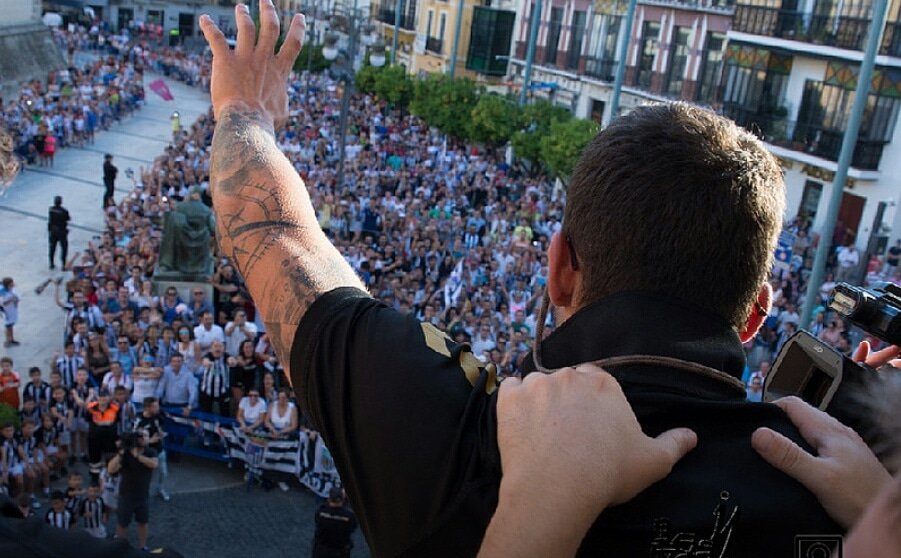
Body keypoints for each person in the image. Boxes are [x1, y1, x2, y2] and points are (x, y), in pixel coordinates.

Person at [199, 8, 842, 555]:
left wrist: (245, 112)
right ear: (756, 313)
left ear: (559, 267)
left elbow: (272, 234)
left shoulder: (459, 423)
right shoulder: (844, 492)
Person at [108, 429, 158, 552]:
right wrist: (121, 453)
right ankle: (120, 547)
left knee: (143, 522)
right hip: (126, 494)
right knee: (122, 523)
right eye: (140, 436)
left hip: (142, 495)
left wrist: (138, 456)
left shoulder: (151, 451)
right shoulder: (125, 454)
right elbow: (111, 469)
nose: (143, 438)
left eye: (145, 436)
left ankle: (143, 546)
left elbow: (154, 464)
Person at [134, 397, 170, 502]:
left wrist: (161, 434)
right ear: (147, 408)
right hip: (146, 452)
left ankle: (161, 488)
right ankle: (141, 493)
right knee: (144, 475)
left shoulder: (158, 416)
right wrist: (150, 440)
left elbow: (160, 428)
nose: (158, 408)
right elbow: (134, 438)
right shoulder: (139, 421)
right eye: (155, 406)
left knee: (163, 472)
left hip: (159, 449)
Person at [312, 486, 358, 558]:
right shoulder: (349, 516)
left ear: (329, 498)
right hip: (340, 551)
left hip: (321, 550)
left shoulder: (321, 512)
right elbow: (353, 528)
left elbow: (317, 521)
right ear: (342, 499)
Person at [48, 195, 70, 270]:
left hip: (53, 231)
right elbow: (67, 218)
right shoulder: (64, 211)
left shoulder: (51, 209)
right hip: (62, 231)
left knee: (52, 247)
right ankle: (63, 265)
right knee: (64, 248)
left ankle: (51, 263)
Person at [1, 277, 21, 347]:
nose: (13, 284)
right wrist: (11, 299)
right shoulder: (2, 292)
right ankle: (7, 341)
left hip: (12, 309)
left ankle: (12, 339)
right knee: (8, 325)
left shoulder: (12, 289)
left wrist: (16, 299)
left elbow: (17, 297)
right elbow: (3, 303)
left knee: (11, 325)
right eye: (11, 284)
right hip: (6, 311)